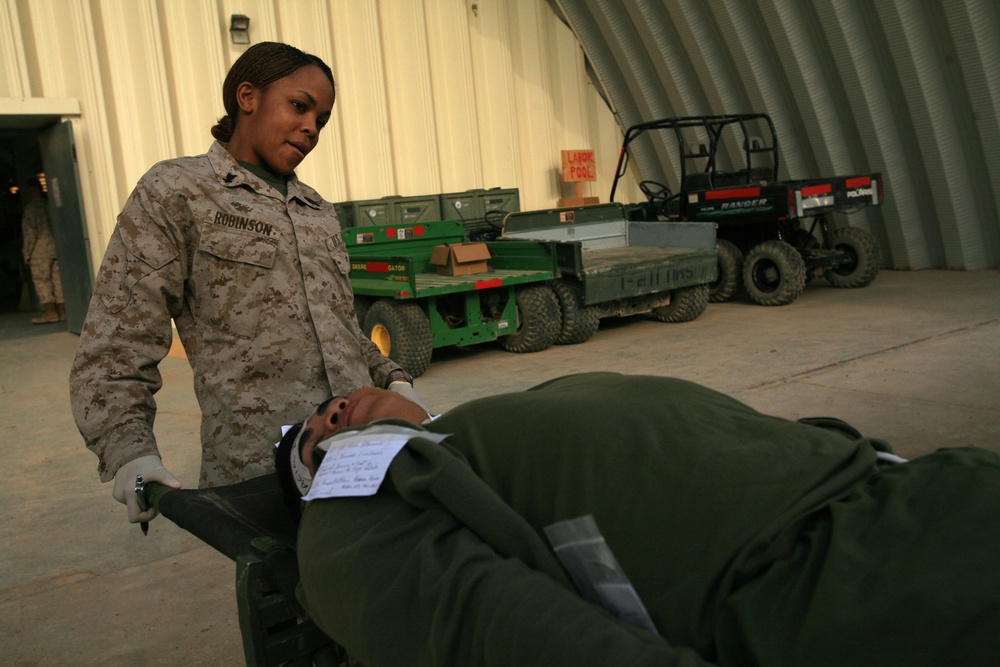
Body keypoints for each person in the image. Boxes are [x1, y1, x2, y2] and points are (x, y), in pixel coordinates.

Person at [276, 372, 1000, 667]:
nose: (330, 411)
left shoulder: (478, 429)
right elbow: (476, 619)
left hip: (911, 483)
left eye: (333, 398)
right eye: (311, 436)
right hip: (829, 577)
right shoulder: (353, 485)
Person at [70, 42, 424, 528]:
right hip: (259, 471)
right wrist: (129, 451)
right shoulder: (177, 191)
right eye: (300, 106)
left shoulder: (317, 211)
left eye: (321, 120)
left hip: (360, 456)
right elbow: (115, 340)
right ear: (247, 96)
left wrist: (392, 378)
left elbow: (339, 329)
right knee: (283, 594)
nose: (311, 129)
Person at [21, 177, 64, 324]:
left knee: (41, 280)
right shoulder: (49, 205)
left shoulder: (31, 209)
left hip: (39, 250)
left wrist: (27, 253)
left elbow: (30, 233)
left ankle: (50, 311)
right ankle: (62, 310)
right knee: (57, 279)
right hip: (54, 247)